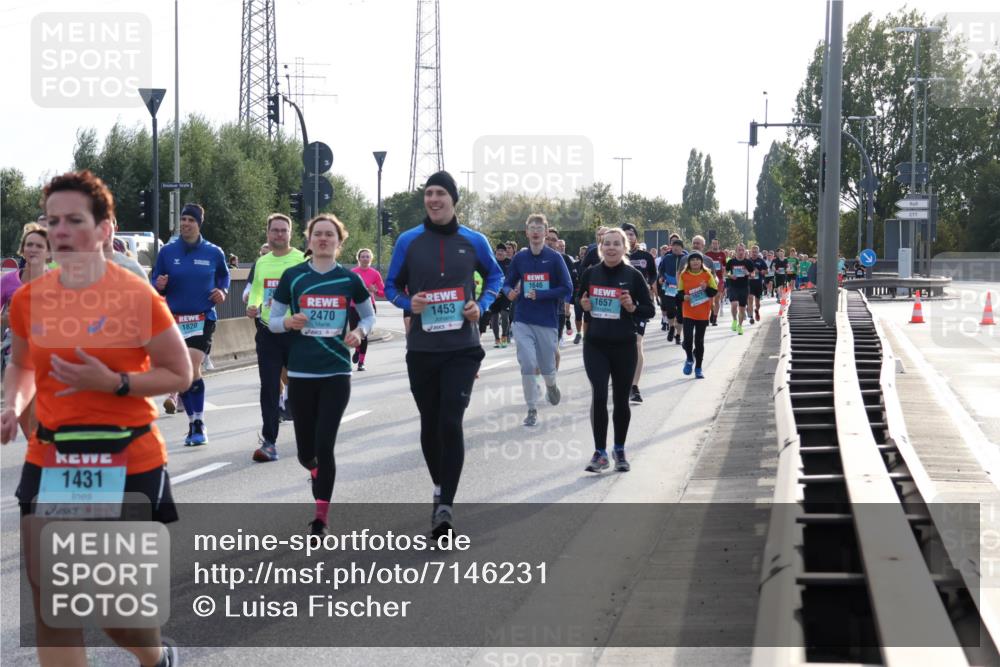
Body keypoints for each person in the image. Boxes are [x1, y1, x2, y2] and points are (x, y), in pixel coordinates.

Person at [2, 170, 191, 667]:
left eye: (74, 220)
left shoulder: (134, 296)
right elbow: (22, 364)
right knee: (52, 598)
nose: (60, 231)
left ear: (105, 229)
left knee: (113, 609)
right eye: (52, 220)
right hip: (53, 455)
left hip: (126, 455)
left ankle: (155, 657)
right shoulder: (28, 299)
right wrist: (12, 404)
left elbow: (180, 372)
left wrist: (115, 383)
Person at [385, 171, 503, 537]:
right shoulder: (409, 241)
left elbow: (496, 277)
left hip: (462, 348)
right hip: (422, 348)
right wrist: (409, 303)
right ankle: (440, 489)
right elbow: (390, 285)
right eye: (428, 194)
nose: (433, 199)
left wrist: (480, 305)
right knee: (430, 422)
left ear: (453, 199)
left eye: (440, 194)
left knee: (451, 421)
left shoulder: (473, 240)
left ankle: (446, 506)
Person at [269, 214, 374, 535]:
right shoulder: (293, 276)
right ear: (309, 240)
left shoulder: (349, 279)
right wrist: (288, 322)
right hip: (301, 374)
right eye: (318, 234)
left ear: (340, 243)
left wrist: (358, 332)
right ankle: (314, 471)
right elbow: (272, 319)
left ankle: (321, 517)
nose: (324, 239)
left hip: (336, 373)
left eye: (330, 235)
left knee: (325, 445)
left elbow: (369, 316)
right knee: (305, 452)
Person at [150, 203, 230, 446]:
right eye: (183, 219)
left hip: (202, 318)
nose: (185, 223)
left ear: (199, 224)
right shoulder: (168, 252)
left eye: (190, 220)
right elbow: (155, 278)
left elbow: (224, 277)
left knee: (191, 366)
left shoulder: (214, 252)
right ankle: (192, 421)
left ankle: (199, 423)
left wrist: (223, 292)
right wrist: (159, 284)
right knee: (182, 374)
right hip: (173, 319)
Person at [577, 228, 654, 473]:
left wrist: (632, 307)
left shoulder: (633, 276)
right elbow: (580, 301)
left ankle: (619, 449)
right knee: (599, 395)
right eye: (607, 243)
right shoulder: (590, 273)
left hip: (624, 345)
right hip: (596, 345)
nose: (611, 247)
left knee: (621, 401)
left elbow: (649, 310)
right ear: (601, 247)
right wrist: (584, 304)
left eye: (616, 244)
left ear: (624, 248)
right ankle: (600, 453)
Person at [245, 214, 305, 462]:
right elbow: (257, 290)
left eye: (284, 231)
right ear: (268, 233)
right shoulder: (262, 262)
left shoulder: (301, 259)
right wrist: (253, 305)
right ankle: (269, 442)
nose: (279, 235)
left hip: (296, 332)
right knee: (268, 387)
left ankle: (308, 438)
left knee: (302, 388)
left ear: (290, 233)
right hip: (268, 331)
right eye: (275, 231)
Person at [505, 214, 572, 427]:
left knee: (546, 367)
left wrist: (542, 294)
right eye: (531, 228)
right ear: (527, 232)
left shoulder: (554, 258)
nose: (535, 231)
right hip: (522, 318)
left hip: (546, 321)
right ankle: (531, 408)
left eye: (539, 228)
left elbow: (567, 288)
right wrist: (509, 292)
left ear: (545, 232)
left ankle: (551, 384)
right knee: (527, 362)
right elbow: (507, 283)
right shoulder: (520, 258)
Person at [621, 223, 657, 404]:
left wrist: (648, 285)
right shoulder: (616, 255)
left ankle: (634, 387)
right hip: (618, 308)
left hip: (639, 306)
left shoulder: (645, 256)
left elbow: (653, 274)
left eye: (632, 234)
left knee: (637, 343)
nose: (629, 237)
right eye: (625, 234)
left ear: (636, 236)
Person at [677, 251, 718, 378]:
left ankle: (699, 368)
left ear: (701, 262)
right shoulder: (684, 275)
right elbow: (678, 294)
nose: (695, 262)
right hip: (688, 312)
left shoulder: (707, 274)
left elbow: (714, 292)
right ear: (689, 262)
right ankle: (689, 358)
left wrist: (706, 288)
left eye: (697, 260)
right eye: (692, 260)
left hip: (702, 313)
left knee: (699, 341)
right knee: (688, 340)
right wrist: (684, 297)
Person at [350, 248, 385, 371]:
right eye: (363, 256)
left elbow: (383, 292)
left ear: (371, 259)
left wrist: (375, 290)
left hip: (369, 307)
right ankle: (357, 349)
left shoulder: (375, 274)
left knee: (364, 334)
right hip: (353, 307)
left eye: (367, 256)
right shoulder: (353, 272)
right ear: (358, 259)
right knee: (355, 332)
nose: (365, 258)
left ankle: (361, 362)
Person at [657, 237, 687, 346]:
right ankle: (671, 327)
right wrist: (661, 277)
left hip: (681, 289)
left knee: (681, 314)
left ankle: (678, 335)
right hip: (669, 287)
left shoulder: (686, 258)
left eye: (678, 247)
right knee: (670, 311)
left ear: (682, 248)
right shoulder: (667, 257)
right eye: (674, 247)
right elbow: (661, 270)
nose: (675, 249)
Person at [484, 244, 512, 348]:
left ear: (506, 252)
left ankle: (504, 336)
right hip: (493, 294)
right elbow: (486, 278)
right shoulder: (491, 262)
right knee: (494, 317)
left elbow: (515, 277)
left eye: (502, 250)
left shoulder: (510, 263)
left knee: (505, 315)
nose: (500, 252)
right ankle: (497, 339)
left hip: (506, 294)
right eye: (498, 250)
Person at [725, 243, 755, 335]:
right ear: (736, 251)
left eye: (742, 250)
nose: (741, 252)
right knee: (734, 304)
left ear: (745, 251)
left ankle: (740, 326)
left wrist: (748, 274)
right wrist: (730, 275)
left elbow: (753, 275)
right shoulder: (731, 262)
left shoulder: (748, 262)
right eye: (739, 250)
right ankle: (734, 320)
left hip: (744, 287)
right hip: (733, 286)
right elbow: (725, 273)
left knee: (742, 309)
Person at [705, 238, 727, 326]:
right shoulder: (707, 254)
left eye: (716, 244)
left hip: (719, 279)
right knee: (710, 300)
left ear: (718, 244)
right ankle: (711, 312)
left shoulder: (722, 254)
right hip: (709, 279)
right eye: (713, 243)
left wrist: (723, 277)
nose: (714, 245)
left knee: (717, 299)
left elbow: (725, 266)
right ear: (711, 245)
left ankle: (714, 318)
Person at [748, 245, 768, 324]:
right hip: (749, 283)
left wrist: (760, 271)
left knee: (757, 303)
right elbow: (744, 270)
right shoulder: (747, 261)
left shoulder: (761, 261)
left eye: (756, 252)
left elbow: (766, 271)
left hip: (758, 284)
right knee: (750, 299)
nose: (754, 253)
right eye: (753, 252)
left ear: (758, 252)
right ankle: (751, 317)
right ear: (750, 252)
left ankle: (756, 310)